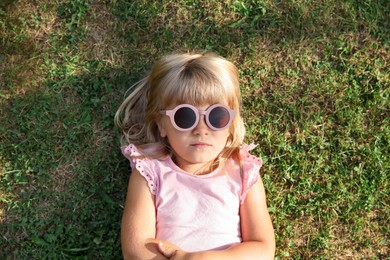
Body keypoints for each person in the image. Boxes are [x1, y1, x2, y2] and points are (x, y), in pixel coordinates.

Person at [115, 52, 275, 259]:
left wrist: (207, 258)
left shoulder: (242, 170)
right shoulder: (149, 171)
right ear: (162, 124)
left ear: (231, 125)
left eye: (216, 116)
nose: (201, 129)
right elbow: (136, 249)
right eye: (185, 116)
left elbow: (263, 248)